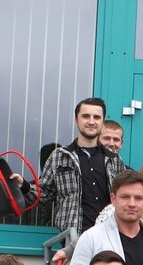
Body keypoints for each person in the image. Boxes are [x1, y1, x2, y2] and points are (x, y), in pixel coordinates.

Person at [37, 97, 125, 234]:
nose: (91, 121)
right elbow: (43, 193)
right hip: (74, 237)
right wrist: (22, 187)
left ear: (102, 122)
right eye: (85, 116)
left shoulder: (114, 159)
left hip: (110, 235)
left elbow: (125, 196)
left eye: (96, 117)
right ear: (76, 120)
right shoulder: (59, 156)